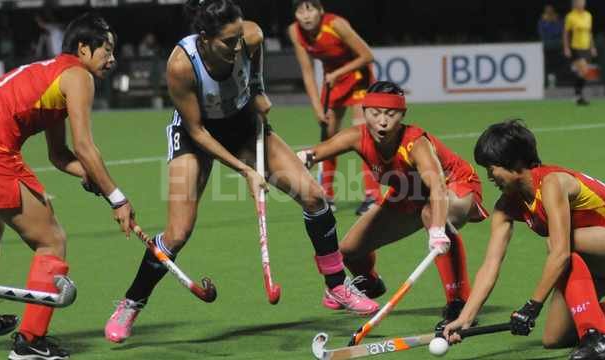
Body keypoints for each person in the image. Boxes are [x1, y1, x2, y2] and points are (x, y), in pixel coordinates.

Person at [104, 0, 379, 344]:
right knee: (178, 232)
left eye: (238, 38)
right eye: (228, 42)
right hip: (196, 136)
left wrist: (260, 90)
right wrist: (245, 170)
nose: (237, 47)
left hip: (245, 127)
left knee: (314, 196)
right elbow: (199, 131)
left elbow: (254, 52)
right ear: (204, 38)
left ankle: (336, 285)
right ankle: (131, 303)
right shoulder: (181, 66)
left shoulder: (251, 37)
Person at [0, 12, 134, 360]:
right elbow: (85, 146)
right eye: (106, 50)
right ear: (83, 49)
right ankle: (31, 342)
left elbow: (59, 155)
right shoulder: (78, 77)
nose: (113, 59)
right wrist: (117, 197)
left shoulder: (55, 72)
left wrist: (91, 175)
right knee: (52, 241)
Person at [297, 81, 489, 330]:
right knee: (348, 250)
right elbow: (316, 152)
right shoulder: (357, 136)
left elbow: (437, 185)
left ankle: (459, 304)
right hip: (407, 195)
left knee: (432, 214)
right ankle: (370, 282)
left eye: (391, 114)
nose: (383, 122)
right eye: (375, 113)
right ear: (364, 112)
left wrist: (438, 229)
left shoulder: (415, 143)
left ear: (402, 115)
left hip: (455, 186)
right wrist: (301, 159)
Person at [443, 120, 605, 360]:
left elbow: (561, 252)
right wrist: (466, 318)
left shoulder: (553, 183)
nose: (489, 176)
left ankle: (596, 338)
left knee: (556, 244)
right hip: (596, 259)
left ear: (515, 163)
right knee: (554, 338)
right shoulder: (506, 206)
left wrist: (532, 306)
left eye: (491, 167)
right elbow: (490, 265)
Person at [288, 0, 381, 215]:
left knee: (363, 136)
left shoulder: (336, 24)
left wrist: (338, 73)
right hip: (333, 83)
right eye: (300, 11)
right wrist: (317, 108)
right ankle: (326, 196)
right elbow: (308, 72)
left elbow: (367, 55)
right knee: (328, 139)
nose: (306, 16)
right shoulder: (295, 32)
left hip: (358, 78)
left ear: (321, 10)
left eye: (310, 9)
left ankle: (372, 196)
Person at [563, 0, 597, 106]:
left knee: (583, 72)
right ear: (574, 4)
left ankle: (577, 96)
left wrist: (592, 47)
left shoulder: (588, 15)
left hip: (586, 47)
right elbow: (566, 33)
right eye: (578, 2)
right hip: (576, 47)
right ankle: (579, 96)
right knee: (583, 69)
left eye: (582, 2)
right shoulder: (570, 16)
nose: (581, 4)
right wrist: (566, 47)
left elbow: (589, 32)